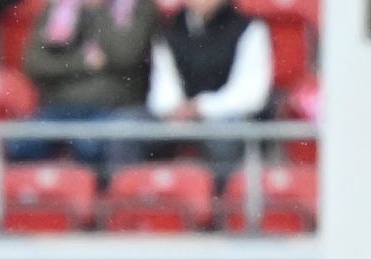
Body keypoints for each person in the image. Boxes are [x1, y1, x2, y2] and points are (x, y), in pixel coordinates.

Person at [14, 0, 158, 175]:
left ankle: (106, 191)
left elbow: (125, 55)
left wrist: (99, 10)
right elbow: (35, 64)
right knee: (19, 142)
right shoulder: (58, 6)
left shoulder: (139, 5)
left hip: (114, 110)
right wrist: (84, 64)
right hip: (58, 109)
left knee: (91, 144)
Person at [146, 0, 272, 180]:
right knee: (134, 132)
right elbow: (163, 86)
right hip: (178, 118)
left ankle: (223, 195)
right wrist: (175, 109)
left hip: (229, 119)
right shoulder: (169, 29)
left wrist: (201, 107)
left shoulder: (249, 28)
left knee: (222, 142)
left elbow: (251, 94)